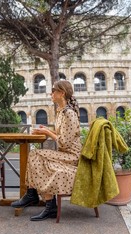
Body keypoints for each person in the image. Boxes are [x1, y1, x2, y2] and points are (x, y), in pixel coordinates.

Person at [11, 80, 82, 221]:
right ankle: (47, 204)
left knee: (35, 155)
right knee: (38, 158)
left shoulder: (69, 113)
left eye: (54, 91)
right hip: (65, 153)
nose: (51, 93)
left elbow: (64, 142)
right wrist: (46, 130)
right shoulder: (61, 111)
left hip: (71, 156)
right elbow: (60, 133)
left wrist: (48, 134)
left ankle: (33, 195)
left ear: (61, 93)